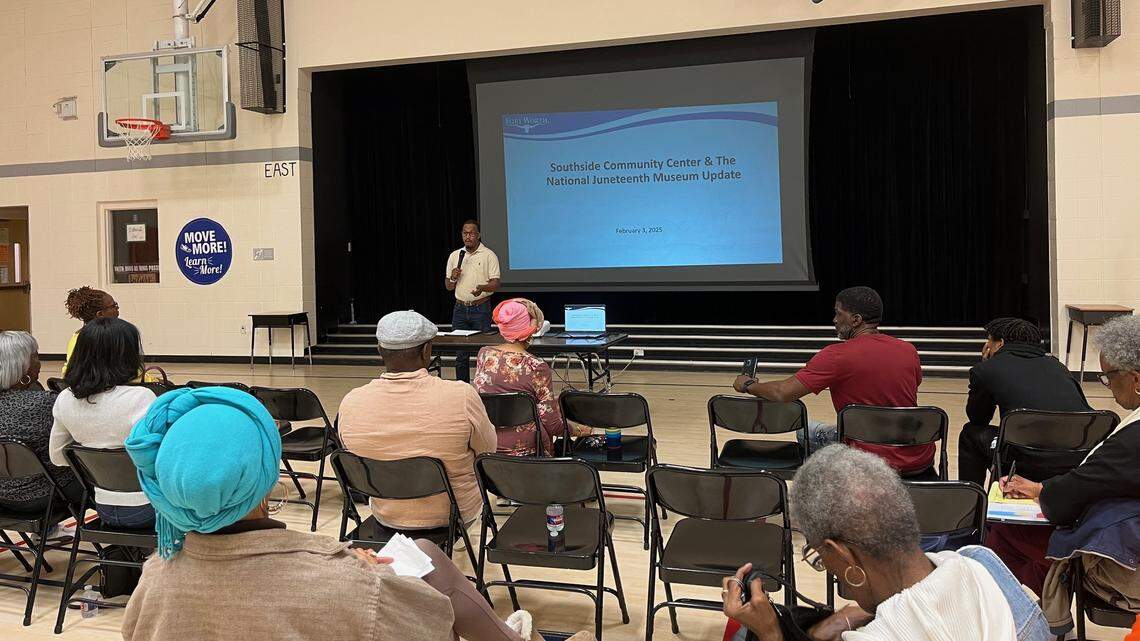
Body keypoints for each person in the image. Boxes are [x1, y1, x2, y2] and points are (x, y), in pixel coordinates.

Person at [122, 386, 589, 641]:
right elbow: (433, 628)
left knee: (423, 551)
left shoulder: (155, 582)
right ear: (267, 476)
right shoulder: (347, 583)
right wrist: (370, 580)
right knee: (424, 558)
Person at [722, 445, 1051, 641]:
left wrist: (770, 634)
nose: (827, 569)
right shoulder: (981, 562)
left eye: (819, 555)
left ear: (843, 555)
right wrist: (867, 614)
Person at [1000, 314, 1140, 627]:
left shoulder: (1134, 440)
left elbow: (1069, 499)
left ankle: (1025, 625)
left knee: (1007, 534)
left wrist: (1040, 491)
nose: (1107, 386)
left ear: (1136, 379)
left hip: (1129, 565)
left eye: (1109, 377)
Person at [732, 286, 929, 474]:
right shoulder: (908, 350)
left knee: (804, 432)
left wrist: (748, 384)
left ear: (855, 319)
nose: (834, 320)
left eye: (838, 313)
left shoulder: (836, 356)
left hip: (866, 459)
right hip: (916, 455)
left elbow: (782, 392)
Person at [338, 310, 496, 529]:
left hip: (387, 514)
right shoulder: (462, 396)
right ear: (426, 351)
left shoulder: (351, 402)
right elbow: (487, 452)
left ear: (379, 351)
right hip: (454, 514)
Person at [49, 317, 156, 528]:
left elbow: (58, 457)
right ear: (127, 355)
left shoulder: (65, 398)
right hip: (149, 507)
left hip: (102, 506)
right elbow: (160, 462)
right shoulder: (141, 397)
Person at [957, 317, 1090, 485]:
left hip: (1026, 459)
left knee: (970, 434)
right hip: (1076, 456)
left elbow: (978, 418)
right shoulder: (1059, 367)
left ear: (1000, 344)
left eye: (989, 340)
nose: (987, 345)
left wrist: (986, 368)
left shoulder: (987, 369)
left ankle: (971, 500)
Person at [473, 299, 587, 455]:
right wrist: (579, 430)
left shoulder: (484, 354)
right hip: (526, 450)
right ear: (531, 330)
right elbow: (551, 423)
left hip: (487, 446)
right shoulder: (536, 366)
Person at [0, 331, 79, 512]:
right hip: (44, 495)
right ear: (22, 365)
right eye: (35, 356)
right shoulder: (45, 403)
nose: (39, 361)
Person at [445, 219, 501, 382]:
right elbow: (448, 286)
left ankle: (484, 389)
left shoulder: (489, 255)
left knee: (483, 353)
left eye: (471, 233)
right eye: (464, 233)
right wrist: (453, 278)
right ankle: (463, 388)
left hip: (480, 309)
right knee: (461, 355)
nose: (467, 237)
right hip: (460, 310)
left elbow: (495, 283)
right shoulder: (455, 255)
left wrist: (482, 288)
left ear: (478, 235)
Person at [61, 286, 120, 376]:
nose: (117, 307)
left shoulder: (76, 336)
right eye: (114, 305)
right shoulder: (109, 337)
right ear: (100, 314)